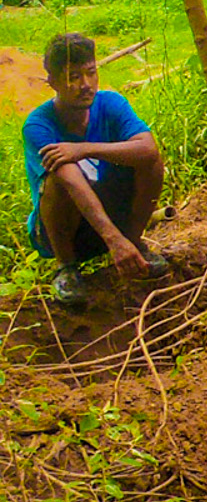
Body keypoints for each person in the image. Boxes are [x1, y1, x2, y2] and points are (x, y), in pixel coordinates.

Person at [23, 33, 167, 309]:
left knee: (151, 163)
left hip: (110, 217)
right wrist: (114, 240)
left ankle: (134, 244)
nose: (85, 85)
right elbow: (72, 182)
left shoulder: (111, 104)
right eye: (73, 76)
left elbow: (148, 149)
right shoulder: (38, 126)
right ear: (52, 82)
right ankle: (67, 269)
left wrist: (85, 149)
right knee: (58, 177)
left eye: (91, 73)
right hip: (67, 232)